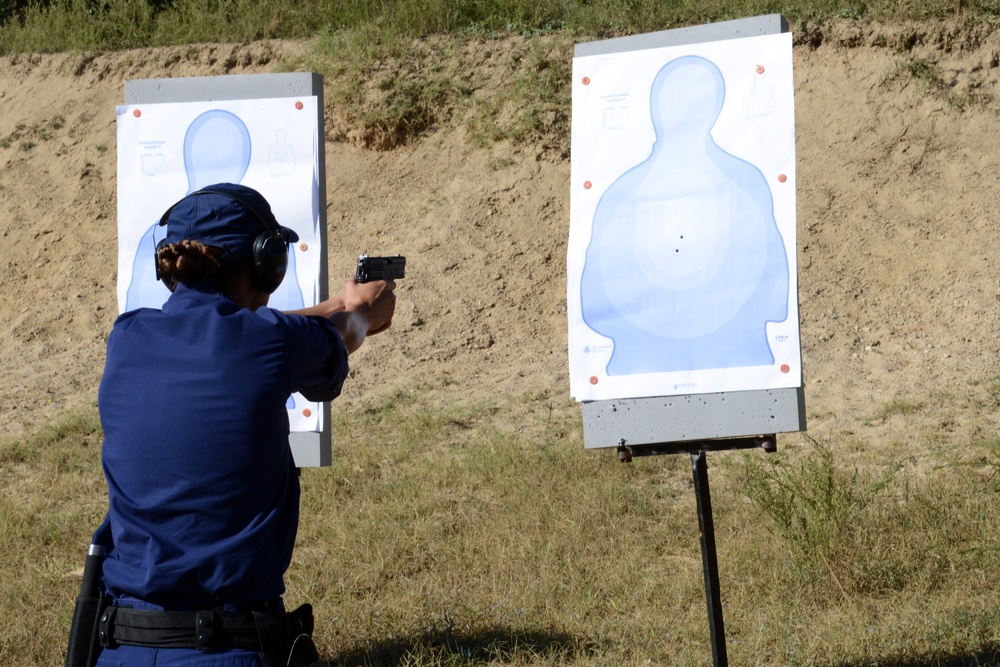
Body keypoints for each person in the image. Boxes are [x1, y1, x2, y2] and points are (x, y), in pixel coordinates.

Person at [88, 183, 396, 666]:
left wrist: (335, 304)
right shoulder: (271, 342)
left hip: (122, 645)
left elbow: (246, 331)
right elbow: (341, 334)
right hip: (230, 648)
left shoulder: (127, 337)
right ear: (264, 262)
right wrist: (361, 311)